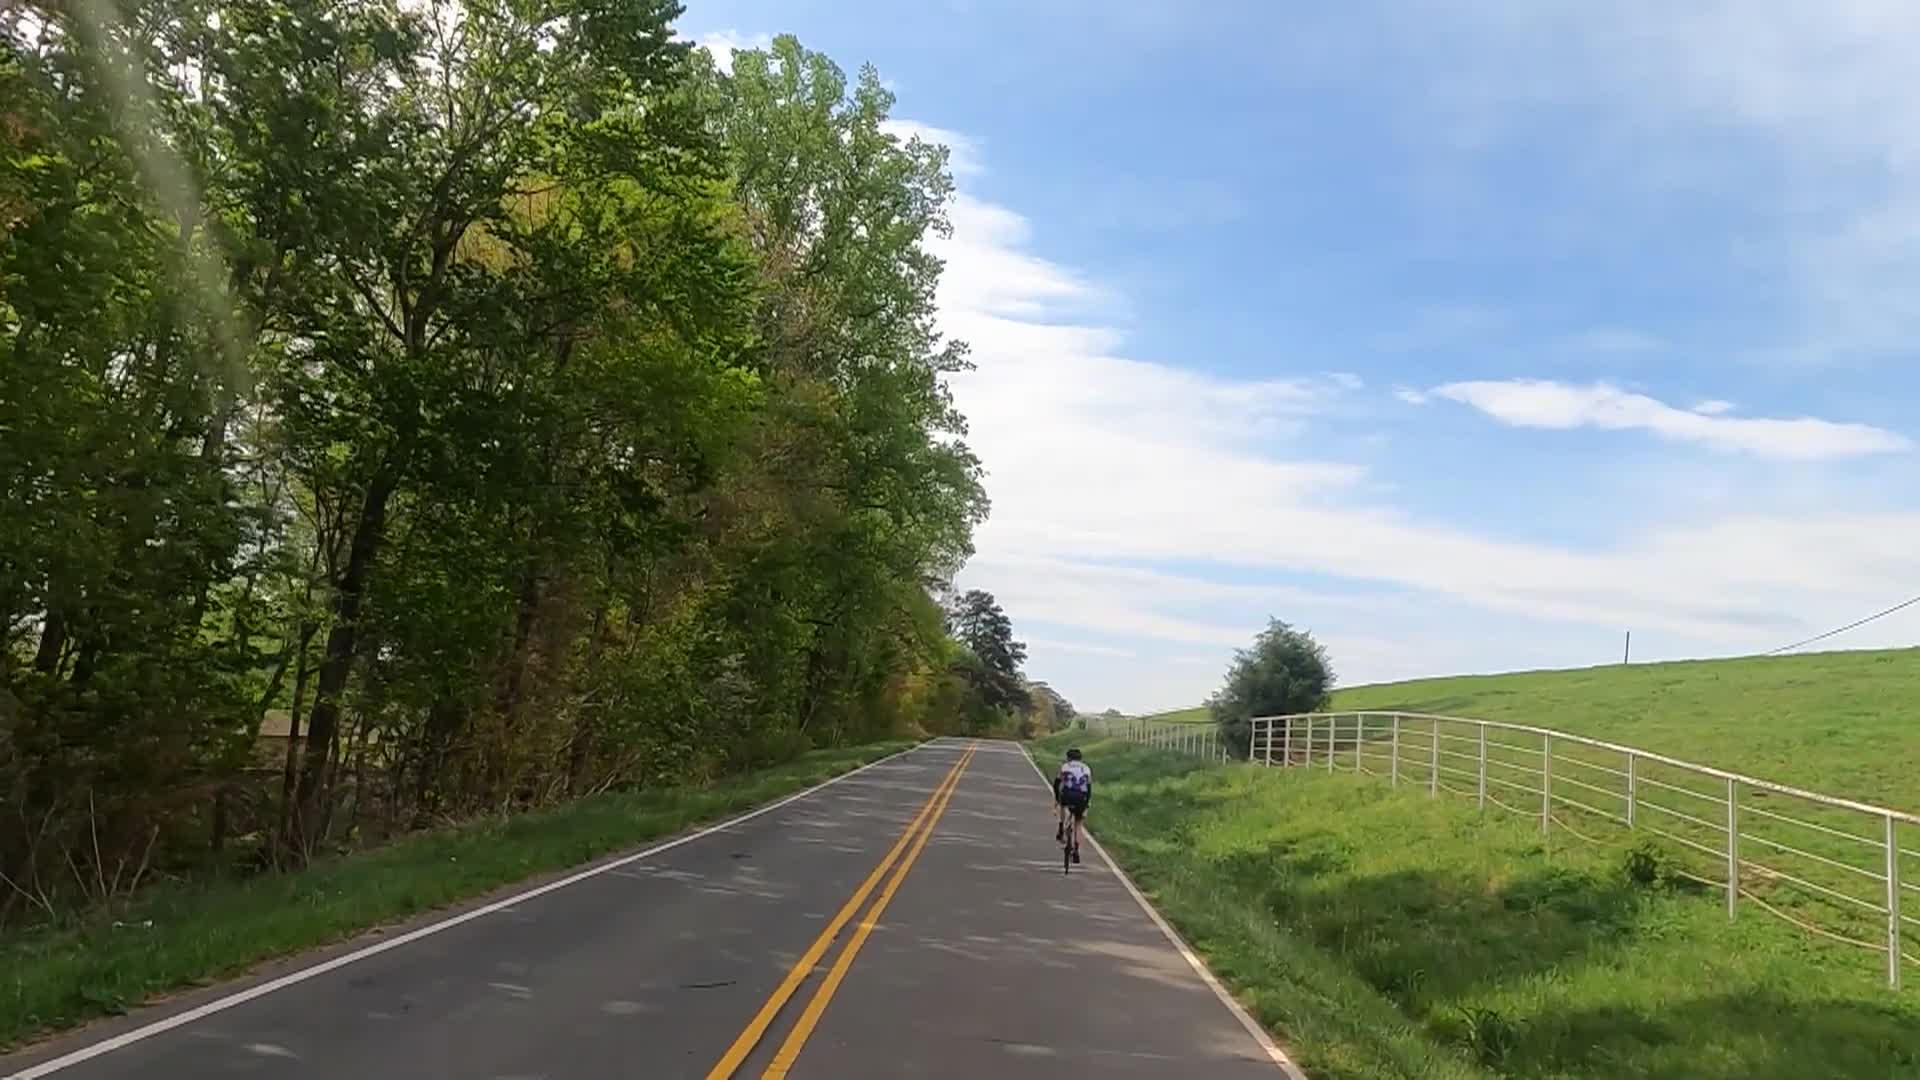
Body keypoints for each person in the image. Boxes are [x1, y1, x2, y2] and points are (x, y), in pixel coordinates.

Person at [1052, 747, 1093, 862]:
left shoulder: (1065, 766)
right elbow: (1089, 788)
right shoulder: (1086, 768)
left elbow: (1056, 784)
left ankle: (1061, 827)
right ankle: (1076, 850)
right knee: (1078, 824)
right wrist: (1087, 803)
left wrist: (1057, 798)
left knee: (1063, 804)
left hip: (1068, 795)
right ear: (1080, 759)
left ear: (1068, 758)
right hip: (1081, 798)